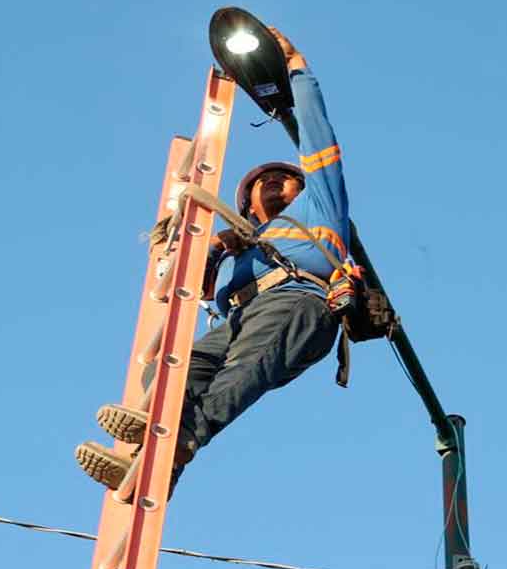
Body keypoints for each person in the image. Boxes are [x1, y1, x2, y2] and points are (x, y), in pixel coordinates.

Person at [75, 27, 350, 494]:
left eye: (284, 178)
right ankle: (149, 468)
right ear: (247, 207)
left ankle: (181, 444)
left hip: (297, 303)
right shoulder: (240, 250)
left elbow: (317, 134)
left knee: (243, 369)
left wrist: (297, 67)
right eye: (263, 182)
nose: (276, 182)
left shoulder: (318, 207)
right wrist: (220, 247)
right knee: (177, 370)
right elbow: (192, 285)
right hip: (242, 316)